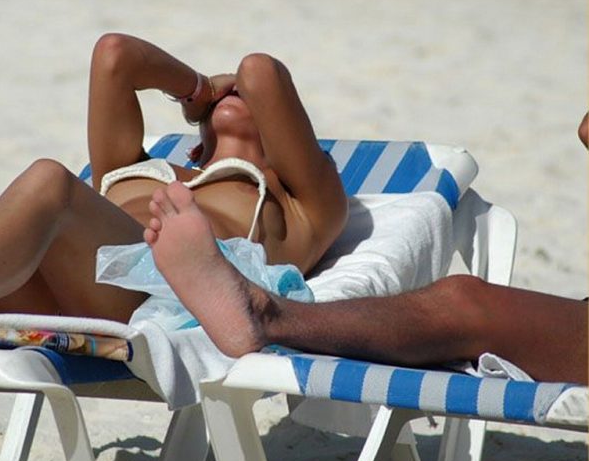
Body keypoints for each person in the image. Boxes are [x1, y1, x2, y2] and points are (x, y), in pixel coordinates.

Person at [0, 33, 348, 333]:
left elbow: (260, 71)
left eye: (240, 96)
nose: (234, 93)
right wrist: (197, 87)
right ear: (195, 145)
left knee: (52, 183)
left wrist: (229, 90)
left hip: (151, 299)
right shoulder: (140, 167)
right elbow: (114, 55)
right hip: (45, 289)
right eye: (222, 98)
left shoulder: (302, 204)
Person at [143, 113, 589, 384]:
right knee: (462, 300)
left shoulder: (303, 197)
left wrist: (199, 89)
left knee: (464, 305)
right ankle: (263, 314)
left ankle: (266, 315)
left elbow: (262, 70)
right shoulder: (176, 172)